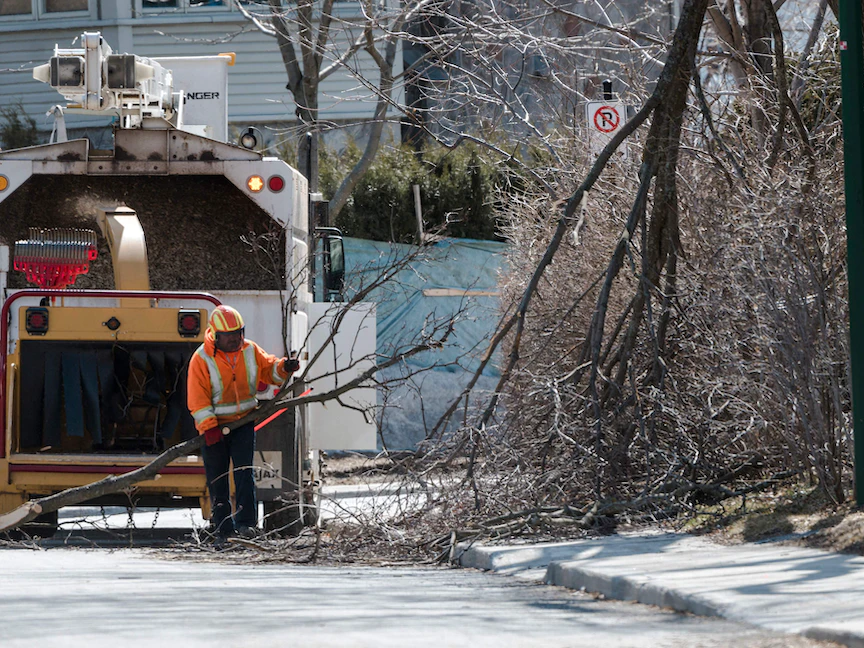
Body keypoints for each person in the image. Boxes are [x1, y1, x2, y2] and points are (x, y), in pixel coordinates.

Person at [187, 305, 300, 544]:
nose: (235, 339)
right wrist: (209, 427)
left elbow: (269, 370)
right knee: (217, 480)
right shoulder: (201, 359)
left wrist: (284, 367)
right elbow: (198, 399)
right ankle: (223, 530)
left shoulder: (250, 350)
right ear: (215, 336)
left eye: (238, 333)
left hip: (243, 423)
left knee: (244, 474)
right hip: (214, 429)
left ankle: (246, 525)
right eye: (229, 335)